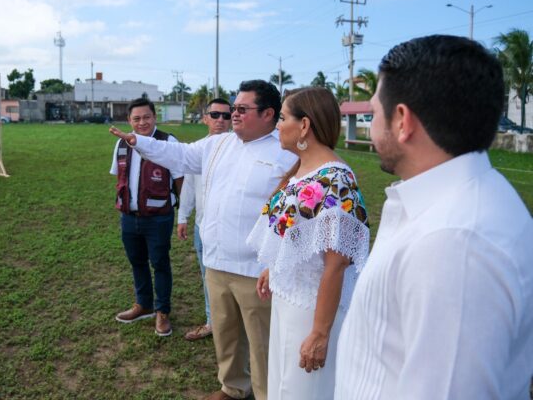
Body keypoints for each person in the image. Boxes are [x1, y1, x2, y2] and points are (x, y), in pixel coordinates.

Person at [335, 35, 533, 399]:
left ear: (402, 120)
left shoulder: (455, 244)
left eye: (374, 112)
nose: (372, 122)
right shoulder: (453, 209)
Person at [110, 80, 297, 400]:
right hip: (216, 259)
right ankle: (233, 387)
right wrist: (140, 141)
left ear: (268, 114)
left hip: (257, 268)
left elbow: (292, 213)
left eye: (241, 109)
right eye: (232, 109)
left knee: (262, 341)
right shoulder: (218, 145)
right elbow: (178, 154)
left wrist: (275, 260)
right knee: (225, 333)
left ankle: (268, 394)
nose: (233, 114)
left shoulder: (285, 152)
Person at [248, 87, 370, 400]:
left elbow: (337, 263)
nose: (277, 125)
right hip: (288, 299)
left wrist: (319, 332)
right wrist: (274, 267)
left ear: (304, 126)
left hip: (311, 309)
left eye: (284, 117)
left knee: (302, 391)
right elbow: (297, 236)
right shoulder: (302, 170)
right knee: (282, 386)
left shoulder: (336, 180)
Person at [109, 97, 184, 337]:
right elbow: (119, 176)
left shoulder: (168, 141)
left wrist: (182, 211)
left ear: (155, 117)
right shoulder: (121, 144)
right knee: (137, 261)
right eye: (136, 118)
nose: (142, 122)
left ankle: (162, 311)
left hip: (159, 216)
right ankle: (144, 304)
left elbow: (180, 177)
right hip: (129, 217)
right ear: (129, 120)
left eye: (147, 117)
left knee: (160, 263)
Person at [177, 98, 233, 341]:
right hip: (202, 227)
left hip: (231, 228)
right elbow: (189, 186)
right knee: (207, 276)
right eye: (215, 115)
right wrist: (182, 217)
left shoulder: (239, 149)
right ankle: (213, 321)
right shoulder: (196, 150)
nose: (220, 120)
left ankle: (235, 324)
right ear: (205, 118)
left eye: (226, 116)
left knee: (236, 279)